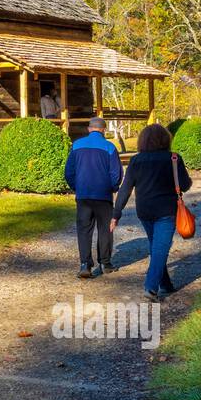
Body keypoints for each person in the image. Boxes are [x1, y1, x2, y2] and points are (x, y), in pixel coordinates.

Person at [111, 123, 192, 300]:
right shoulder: (174, 158)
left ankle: (166, 284)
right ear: (166, 140)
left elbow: (125, 189)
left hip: (145, 210)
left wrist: (116, 213)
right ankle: (151, 287)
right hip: (166, 210)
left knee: (157, 246)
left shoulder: (136, 160)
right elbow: (185, 185)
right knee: (160, 248)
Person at [64, 116, 123, 279]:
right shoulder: (109, 147)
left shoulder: (76, 145)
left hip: (83, 195)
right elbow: (116, 174)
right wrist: (112, 187)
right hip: (103, 195)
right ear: (103, 130)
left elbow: (69, 172)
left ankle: (85, 264)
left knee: (84, 229)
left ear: (89, 129)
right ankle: (105, 263)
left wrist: (76, 187)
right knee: (105, 229)